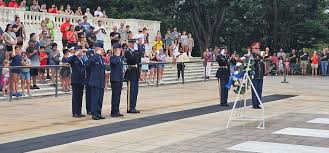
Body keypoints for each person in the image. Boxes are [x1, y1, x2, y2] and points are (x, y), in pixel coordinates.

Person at [63, 46, 86, 118]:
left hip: (81, 80)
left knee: (80, 97)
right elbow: (66, 60)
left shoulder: (81, 59)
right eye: (80, 51)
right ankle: (75, 112)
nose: (81, 52)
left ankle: (79, 111)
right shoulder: (74, 58)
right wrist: (74, 55)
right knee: (75, 97)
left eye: (81, 51)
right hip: (75, 80)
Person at [87, 48, 106, 120]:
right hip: (95, 81)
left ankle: (98, 113)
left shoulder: (101, 59)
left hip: (101, 82)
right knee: (95, 99)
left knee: (100, 99)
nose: (103, 52)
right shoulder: (94, 57)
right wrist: (96, 54)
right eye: (101, 50)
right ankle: (94, 114)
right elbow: (89, 62)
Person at [124, 39, 143, 113]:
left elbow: (139, 63)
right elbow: (131, 59)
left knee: (135, 91)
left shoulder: (135, 52)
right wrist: (136, 54)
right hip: (130, 72)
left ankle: (133, 107)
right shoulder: (127, 52)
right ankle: (129, 108)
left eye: (133, 43)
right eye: (131, 43)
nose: (132, 44)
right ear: (128, 43)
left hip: (135, 72)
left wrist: (139, 74)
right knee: (131, 91)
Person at [110, 43, 124, 117]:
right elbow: (113, 63)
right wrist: (117, 55)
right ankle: (113, 112)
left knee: (118, 96)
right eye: (119, 49)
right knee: (115, 96)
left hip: (119, 78)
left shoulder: (120, 57)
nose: (120, 50)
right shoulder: (113, 57)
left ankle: (117, 110)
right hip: (115, 79)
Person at [250, 42, 265, 109]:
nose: (258, 49)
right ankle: (254, 104)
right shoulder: (251, 56)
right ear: (252, 49)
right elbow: (254, 62)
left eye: (258, 48)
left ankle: (258, 103)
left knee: (259, 90)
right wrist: (259, 57)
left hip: (260, 75)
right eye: (256, 48)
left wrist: (263, 73)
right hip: (254, 76)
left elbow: (262, 65)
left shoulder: (260, 56)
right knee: (255, 90)